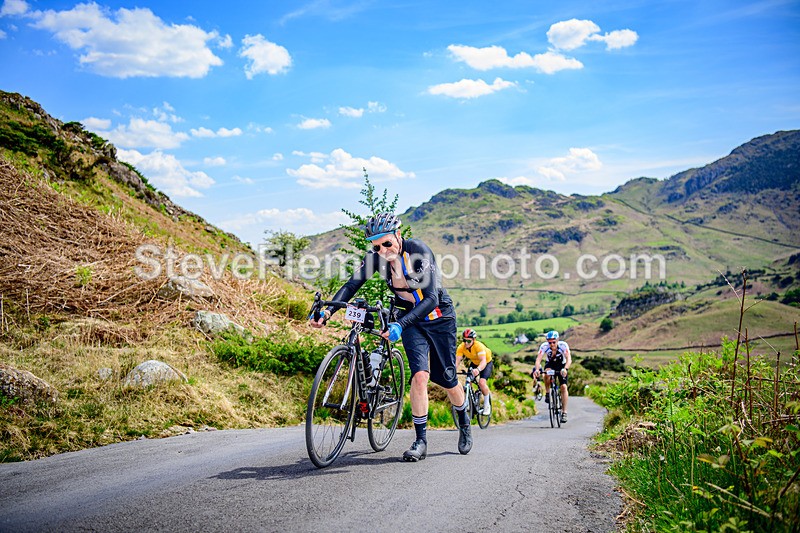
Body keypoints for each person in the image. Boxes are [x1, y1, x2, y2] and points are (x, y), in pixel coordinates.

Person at [310, 212, 471, 461]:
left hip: (439, 318)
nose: (383, 250)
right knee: (419, 377)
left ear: (398, 235)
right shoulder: (377, 259)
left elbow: (431, 299)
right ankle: (420, 441)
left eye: (387, 243)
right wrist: (328, 311)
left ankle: (463, 418)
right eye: (376, 246)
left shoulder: (418, 252)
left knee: (448, 380)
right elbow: (352, 285)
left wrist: (400, 324)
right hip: (410, 322)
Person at [531, 330, 572, 423]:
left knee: (563, 387)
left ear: (557, 340)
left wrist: (565, 369)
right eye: (549, 342)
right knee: (546, 373)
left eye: (554, 342)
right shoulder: (544, 346)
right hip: (550, 364)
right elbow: (538, 359)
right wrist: (537, 369)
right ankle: (548, 393)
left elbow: (569, 359)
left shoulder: (563, 345)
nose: (552, 344)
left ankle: (564, 412)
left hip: (562, 365)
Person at [456, 328, 493, 415]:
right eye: (464, 340)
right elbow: (457, 361)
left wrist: (478, 370)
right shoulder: (461, 347)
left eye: (468, 341)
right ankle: (469, 401)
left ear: (474, 340)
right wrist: (452, 371)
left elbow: (483, 361)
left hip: (486, 363)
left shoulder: (478, 346)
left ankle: (487, 405)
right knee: (468, 381)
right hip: (474, 363)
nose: (466, 343)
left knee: (482, 383)